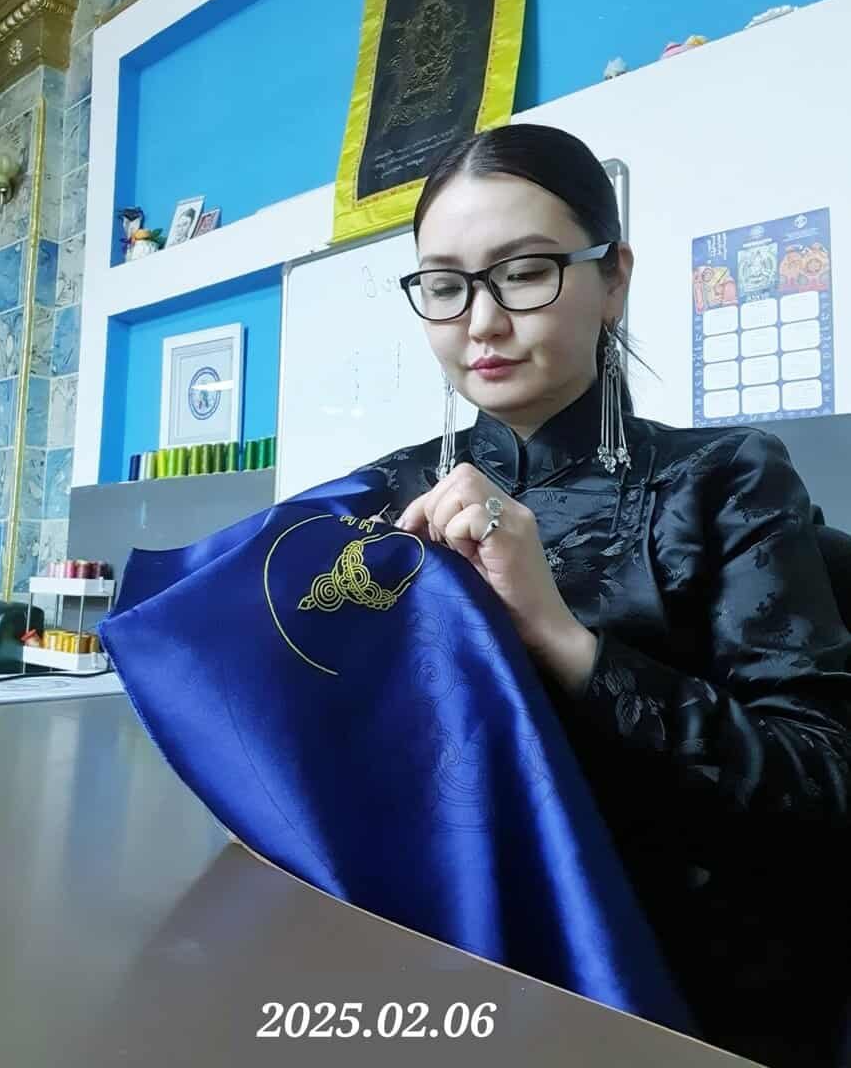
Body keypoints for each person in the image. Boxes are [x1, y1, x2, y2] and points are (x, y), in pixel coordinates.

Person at [362, 123, 851, 1068]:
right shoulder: (386, 498)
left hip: (676, 986)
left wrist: (560, 638)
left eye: (525, 272)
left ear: (613, 278)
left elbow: (821, 778)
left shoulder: (725, 480)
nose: (483, 322)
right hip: (444, 961)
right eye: (446, 284)